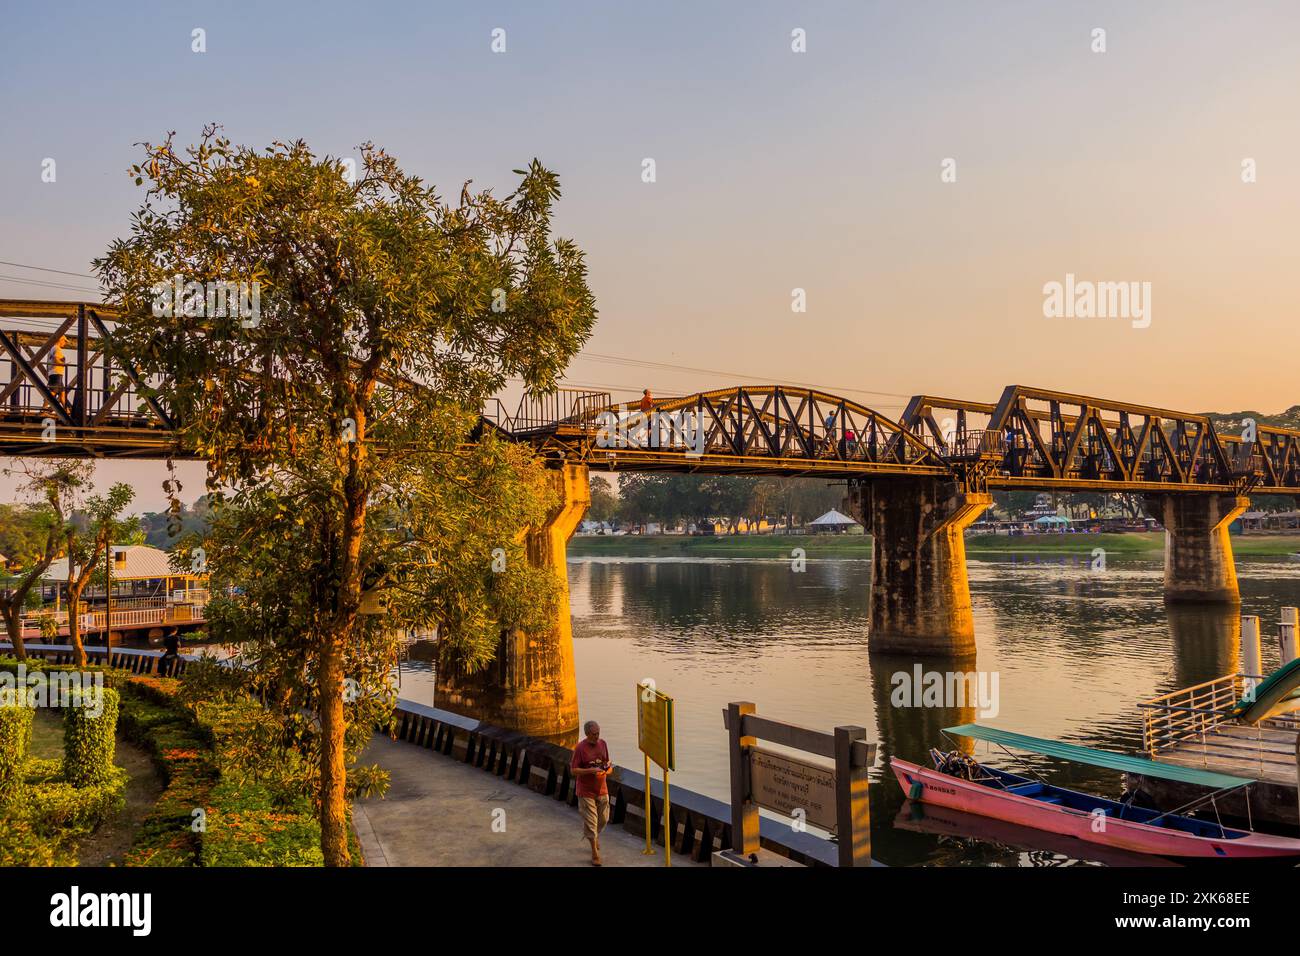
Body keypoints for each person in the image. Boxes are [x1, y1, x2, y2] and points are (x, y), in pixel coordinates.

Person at [571, 720, 613, 865]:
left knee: (604, 819)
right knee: (591, 821)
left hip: (602, 788)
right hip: (585, 790)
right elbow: (574, 770)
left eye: (598, 733)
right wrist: (591, 770)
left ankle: (594, 835)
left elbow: (608, 763)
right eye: (594, 734)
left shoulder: (603, 744)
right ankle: (595, 853)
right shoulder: (580, 748)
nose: (597, 736)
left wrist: (607, 770)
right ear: (587, 734)